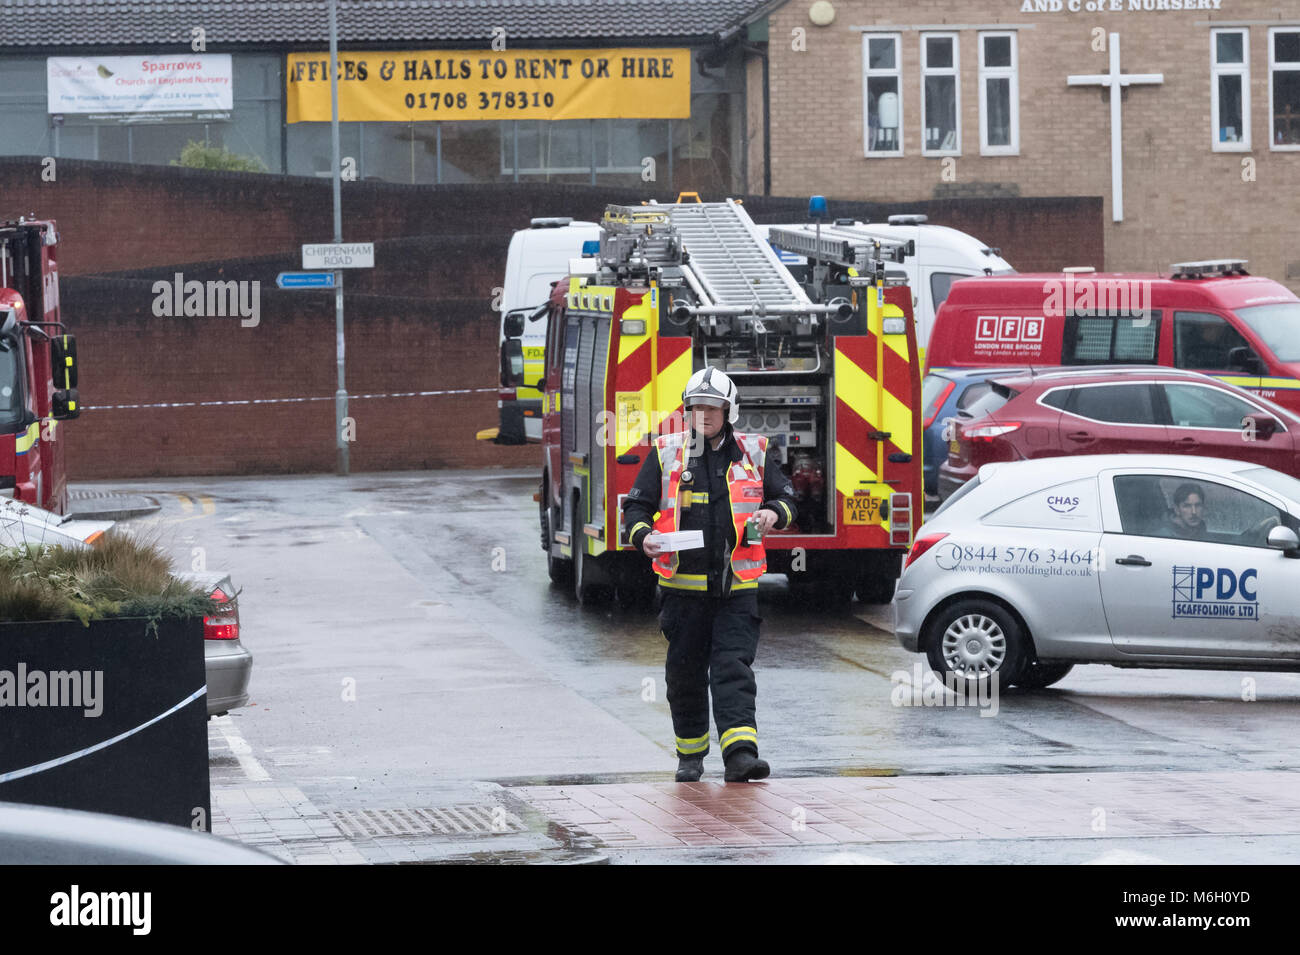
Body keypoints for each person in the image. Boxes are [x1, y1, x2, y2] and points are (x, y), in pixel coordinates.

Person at [621, 368, 798, 783]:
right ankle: (690, 756)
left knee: (732, 668)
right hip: (682, 593)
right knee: (684, 674)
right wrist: (642, 536)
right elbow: (636, 507)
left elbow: (787, 497)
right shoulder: (666, 453)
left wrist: (774, 512)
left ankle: (740, 756)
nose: (702, 415)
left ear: (728, 410)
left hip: (737, 590)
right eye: (695, 407)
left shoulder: (755, 452)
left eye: (711, 408)